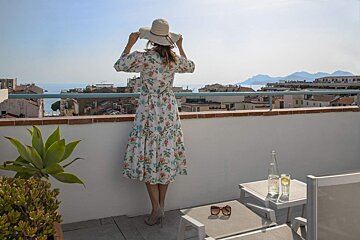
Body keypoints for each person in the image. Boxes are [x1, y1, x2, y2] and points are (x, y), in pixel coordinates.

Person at [114, 19, 195, 227]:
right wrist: (182, 46)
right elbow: (192, 67)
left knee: (149, 155)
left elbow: (119, 65)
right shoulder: (174, 59)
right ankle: (161, 206)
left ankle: (156, 208)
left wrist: (130, 43)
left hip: (149, 110)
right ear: (168, 40)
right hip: (168, 110)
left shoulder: (144, 58)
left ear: (151, 40)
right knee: (165, 156)